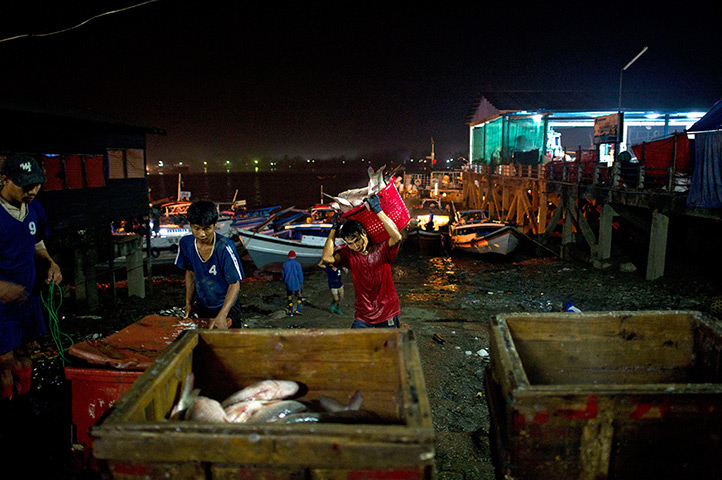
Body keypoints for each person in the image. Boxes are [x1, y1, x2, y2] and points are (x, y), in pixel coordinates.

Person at [0, 154, 62, 402]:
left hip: (28, 296)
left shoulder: (34, 208)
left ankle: (23, 404)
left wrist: (50, 263)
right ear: (5, 180)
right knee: (3, 360)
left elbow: (37, 243)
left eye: (37, 184)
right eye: (26, 185)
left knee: (27, 350)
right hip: (2, 304)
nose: (33, 190)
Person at [321, 194, 403, 328]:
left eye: (357, 240)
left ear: (364, 233)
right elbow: (327, 258)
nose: (356, 246)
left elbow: (397, 237)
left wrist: (378, 210)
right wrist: (334, 229)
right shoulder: (349, 254)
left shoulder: (381, 249)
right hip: (363, 315)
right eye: (350, 243)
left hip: (387, 311)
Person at [175, 200, 244, 329]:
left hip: (226, 306)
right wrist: (189, 304)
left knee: (231, 345)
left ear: (215, 224)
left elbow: (234, 284)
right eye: (196, 228)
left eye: (207, 229)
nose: (202, 234)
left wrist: (223, 314)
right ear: (190, 225)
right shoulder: (186, 244)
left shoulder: (224, 247)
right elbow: (190, 273)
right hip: (202, 305)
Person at [282, 250, 303, 316]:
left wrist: (285, 281)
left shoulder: (285, 264)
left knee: (289, 296)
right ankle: (298, 309)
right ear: (295, 256)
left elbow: (283, 275)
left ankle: (291, 311)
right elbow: (300, 274)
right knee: (299, 295)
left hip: (288, 283)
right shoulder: (298, 264)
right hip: (297, 283)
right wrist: (301, 282)